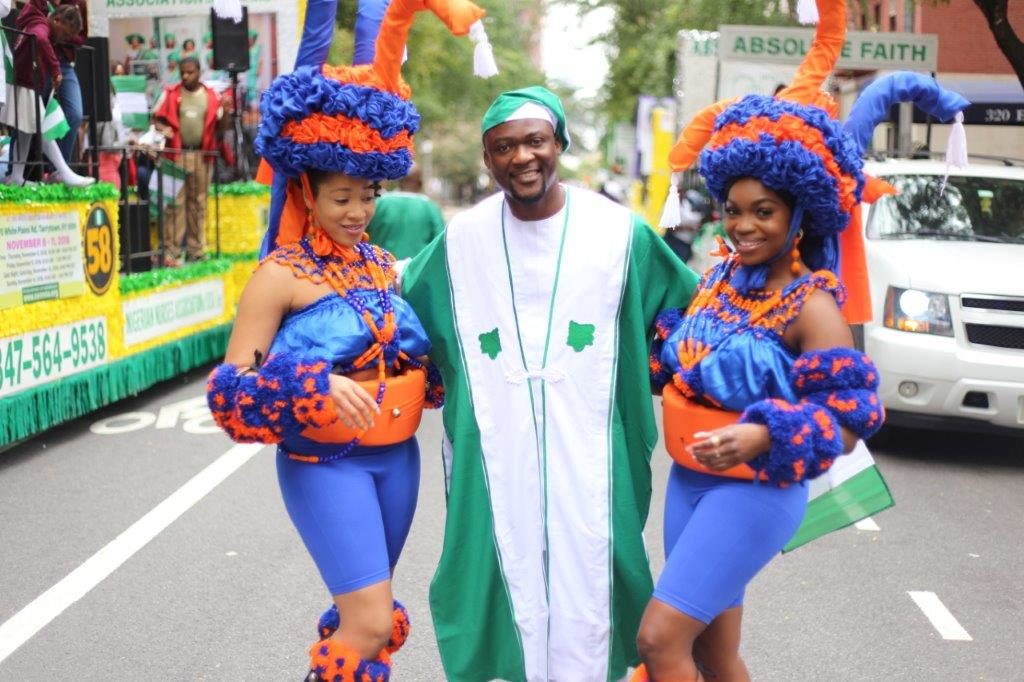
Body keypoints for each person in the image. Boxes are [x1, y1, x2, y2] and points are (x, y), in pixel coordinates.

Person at [631, 1, 971, 677]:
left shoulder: (812, 305)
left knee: (659, 641)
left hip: (754, 488)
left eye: (764, 212)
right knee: (712, 650)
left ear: (798, 216)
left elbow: (847, 421)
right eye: (733, 209)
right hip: (690, 482)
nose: (743, 225)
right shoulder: (721, 275)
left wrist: (761, 433)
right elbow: (679, 357)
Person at [209, 0, 487, 679]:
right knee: (366, 621)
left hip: (398, 465)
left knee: (368, 623)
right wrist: (310, 383)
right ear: (306, 187)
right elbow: (231, 395)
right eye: (342, 197)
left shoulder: (384, 266)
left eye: (368, 195)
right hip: (325, 465)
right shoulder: (278, 276)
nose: (359, 212)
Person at [400, 85, 701, 682]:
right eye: (503, 147)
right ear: (488, 161)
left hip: (592, 445)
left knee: (596, 568)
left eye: (535, 141)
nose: (522, 157)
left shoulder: (620, 234)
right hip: (496, 448)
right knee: (492, 570)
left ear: (558, 142)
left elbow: (691, 313)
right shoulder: (460, 243)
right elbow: (396, 310)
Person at [1, 0, 93, 186]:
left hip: (25, 83)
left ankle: (17, 176)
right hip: (25, 84)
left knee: (26, 132)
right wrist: (56, 69)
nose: (63, 40)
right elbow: (41, 38)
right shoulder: (41, 25)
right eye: (65, 34)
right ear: (57, 21)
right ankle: (64, 171)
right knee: (40, 128)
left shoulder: (37, 19)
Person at [152, 56, 224, 265]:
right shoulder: (171, 93)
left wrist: (226, 111)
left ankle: (197, 250)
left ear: (199, 72)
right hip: (176, 154)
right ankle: (171, 252)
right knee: (174, 203)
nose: (185, 76)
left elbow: (222, 126)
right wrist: (162, 128)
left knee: (199, 203)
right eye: (182, 72)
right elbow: (155, 117)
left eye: (190, 72)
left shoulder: (211, 96)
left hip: (202, 156)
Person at [365, 163, 445, 259]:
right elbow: (441, 244)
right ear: (420, 183)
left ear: (399, 180)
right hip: (415, 272)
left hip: (379, 269)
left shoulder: (379, 203)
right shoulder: (431, 208)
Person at [662, 188, 712, 265]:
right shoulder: (670, 207)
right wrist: (687, 228)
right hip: (675, 242)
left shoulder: (686, 204)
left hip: (687, 244)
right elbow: (669, 227)